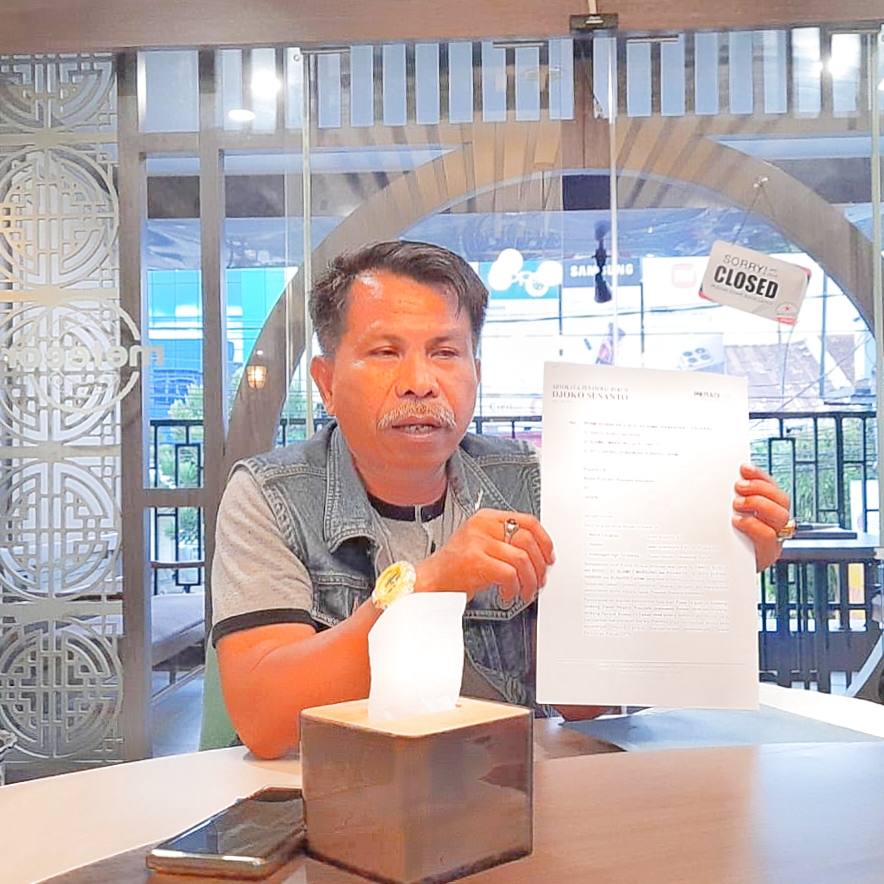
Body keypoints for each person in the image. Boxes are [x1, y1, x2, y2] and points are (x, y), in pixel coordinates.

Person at [211, 240, 791, 759]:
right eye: (386, 352)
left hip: (514, 801)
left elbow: (583, 701)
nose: (420, 382)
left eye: (445, 353)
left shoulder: (532, 483)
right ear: (326, 382)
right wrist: (431, 585)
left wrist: (721, 563)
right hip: (334, 803)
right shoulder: (271, 495)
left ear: (476, 372)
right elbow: (265, 719)